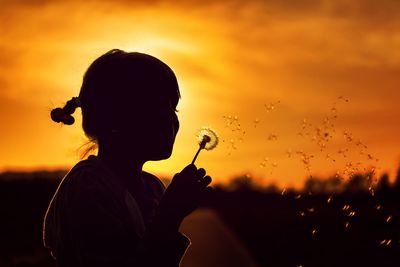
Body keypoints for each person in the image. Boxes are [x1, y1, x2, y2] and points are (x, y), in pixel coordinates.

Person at [43, 49, 212, 267]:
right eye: (160, 107)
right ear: (117, 117)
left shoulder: (152, 187)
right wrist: (169, 215)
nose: (172, 119)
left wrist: (170, 213)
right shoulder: (87, 187)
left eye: (175, 109)